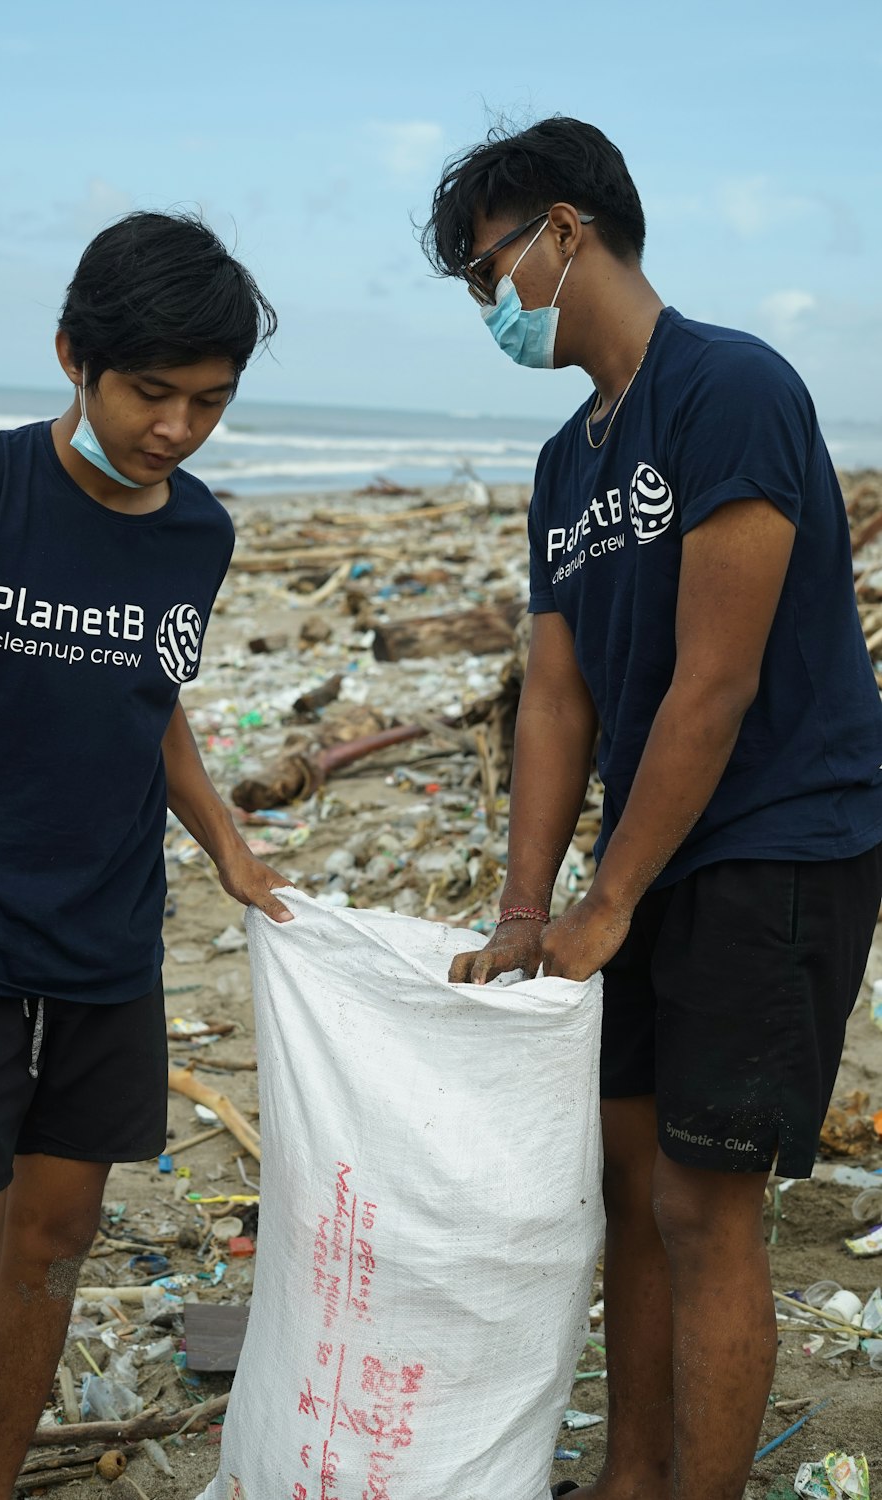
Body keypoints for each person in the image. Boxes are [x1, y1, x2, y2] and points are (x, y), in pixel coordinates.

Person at [423, 119, 882, 1500]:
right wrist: (526, 910)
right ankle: (630, 1475)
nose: (486, 306)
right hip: (660, 847)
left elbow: (715, 681)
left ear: (565, 232)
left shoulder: (728, 389)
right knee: (627, 1185)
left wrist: (605, 899)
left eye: (486, 269)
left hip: (778, 842)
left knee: (703, 1202)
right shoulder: (568, 466)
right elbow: (557, 701)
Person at [0, 211, 292, 1500]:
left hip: (110, 951)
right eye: (150, 392)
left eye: (210, 401)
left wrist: (227, 842)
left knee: (55, 1250)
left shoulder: (199, 536)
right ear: (74, 355)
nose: (176, 428)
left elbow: (150, 695)